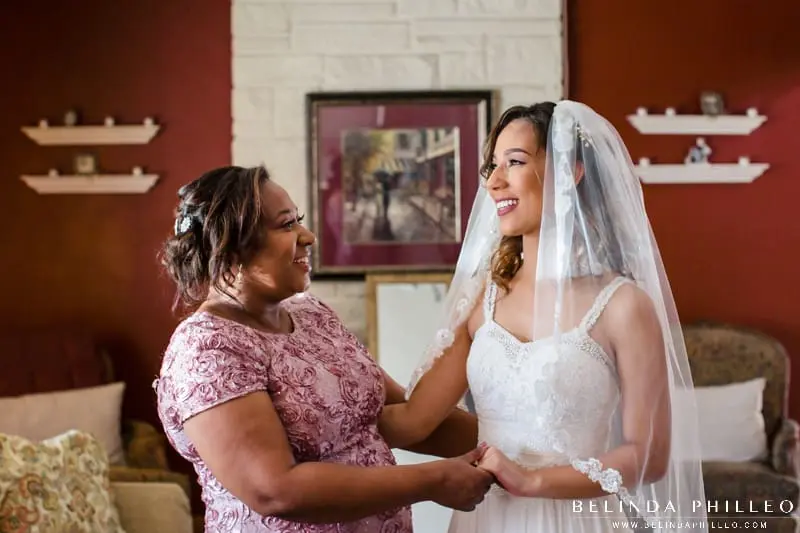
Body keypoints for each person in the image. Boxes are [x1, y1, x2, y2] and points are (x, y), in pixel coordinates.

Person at [379, 101, 709, 532]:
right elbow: (412, 422)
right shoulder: (481, 297)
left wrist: (532, 481)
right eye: (493, 166)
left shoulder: (624, 305)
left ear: (570, 174)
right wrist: (328, 373)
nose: (494, 182)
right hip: (485, 521)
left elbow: (649, 454)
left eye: (514, 162)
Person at [153, 165, 493, 532]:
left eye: (298, 220)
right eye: (287, 225)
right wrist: (433, 480)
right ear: (232, 246)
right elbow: (275, 490)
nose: (309, 236)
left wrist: (519, 443)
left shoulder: (311, 314)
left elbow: (407, 418)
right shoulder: (207, 349)